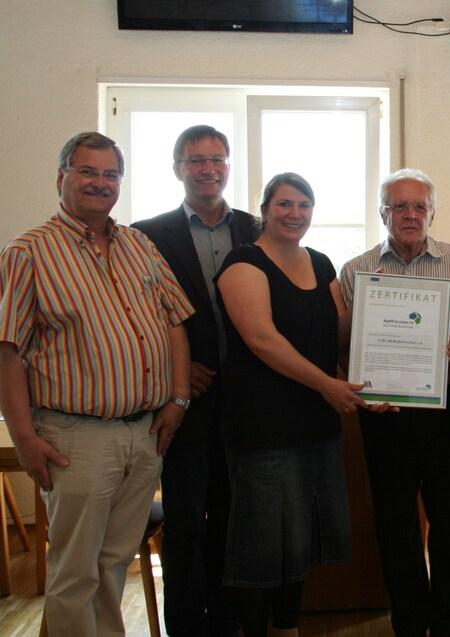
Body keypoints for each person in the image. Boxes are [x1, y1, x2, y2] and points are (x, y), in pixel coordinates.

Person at [0, 132, 193, 636]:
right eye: (88, 172)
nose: (100, 183)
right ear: (61, 177)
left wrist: (178, 397)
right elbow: (8, 351)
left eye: (110, 174)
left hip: (144, 432)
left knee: (114, 564)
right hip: (74, 437)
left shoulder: (138, 244)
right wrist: (23, 438)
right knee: (74, 572)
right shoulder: (28, 253)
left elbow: (174, 321)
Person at [215, 173, 379, 637]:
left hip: (316, 425)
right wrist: (327, 384)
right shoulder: (243, 262)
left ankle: (287, 629)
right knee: (262, 544)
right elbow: (263, 340)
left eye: (304, 205)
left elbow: (341, 333)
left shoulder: (321, 263)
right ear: (265, 210)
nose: (294, 214)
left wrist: (376, 301)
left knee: (300, 541)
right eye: (284, 204)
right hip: (264, 427)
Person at [339, 168, 450, 637]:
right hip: (386, 415)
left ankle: (449, 621)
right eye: (399, 206)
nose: (410, 215)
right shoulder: (355, 270)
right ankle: (409, 618)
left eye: (419, 206)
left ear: (433, 212)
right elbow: (346, 347)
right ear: (383, 213)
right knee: (395, 524)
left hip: (447, 412)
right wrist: (362, 386)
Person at [132, 124, 260, 637]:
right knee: (185, 520)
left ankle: (228, 620)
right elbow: (136, 317)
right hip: (186, 399)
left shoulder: (257, 227)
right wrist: (177, 368)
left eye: (217, 158)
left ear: (229, 165)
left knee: (236, 518)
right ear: (177, 168)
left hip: (249, 400)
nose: (208, 168)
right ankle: (185, 624)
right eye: (195, 160)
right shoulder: (145, 234)